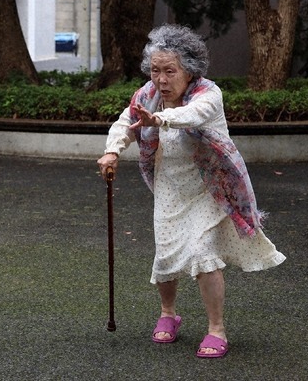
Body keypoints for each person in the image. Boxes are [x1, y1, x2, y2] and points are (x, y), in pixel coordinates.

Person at [97, 24, 286, 358]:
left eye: (170, 71)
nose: (161, 80)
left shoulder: (208, 94)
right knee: (166, 257)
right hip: (169, 189)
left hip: (209, 189)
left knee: (202, 254)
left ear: (189, 69)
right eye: (155, 70)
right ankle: (168, 314)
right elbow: (126, 123)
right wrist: (113, 151)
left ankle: (216, 329)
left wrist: (159, 119)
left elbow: (192, 115)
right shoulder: (147, 96)